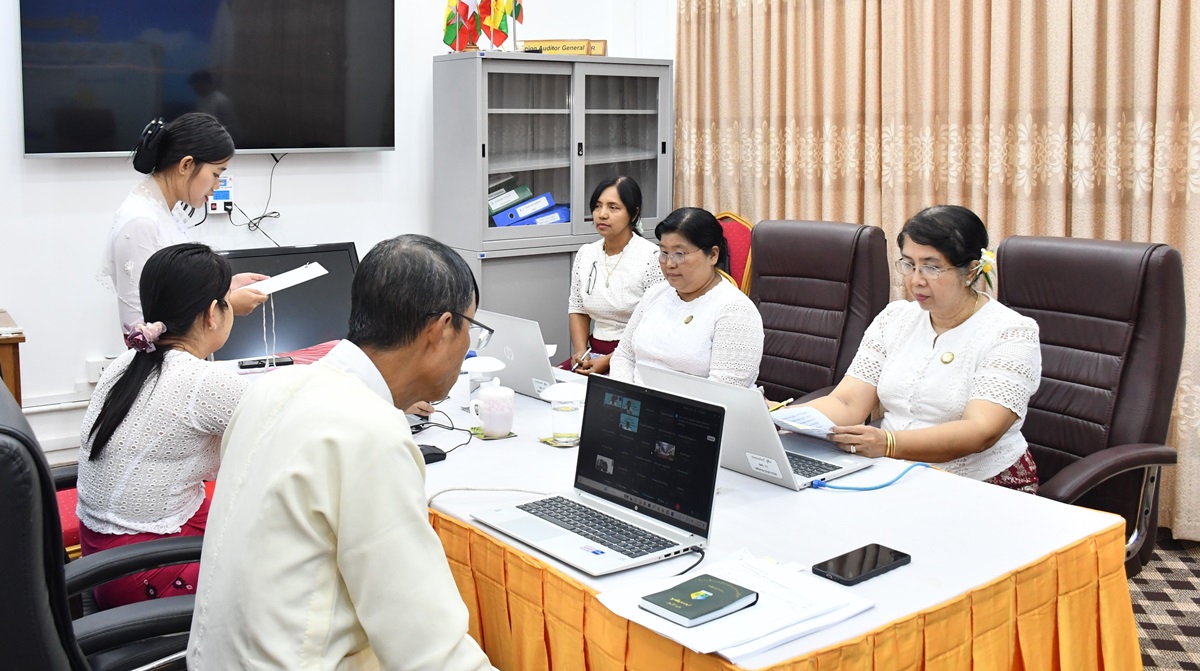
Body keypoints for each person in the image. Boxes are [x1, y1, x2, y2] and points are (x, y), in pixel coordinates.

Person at [188, 235, 495, 670]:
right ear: (442, 329)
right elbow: (427, 650)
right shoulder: (370, 431)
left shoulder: (270, 389)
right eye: (470, 327)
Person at [799, 205, 1042, 492]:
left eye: (931, 267)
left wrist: (889, 444)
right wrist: (781, 418)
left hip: (981, 483)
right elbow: (846, 402)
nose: (916, 280)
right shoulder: (895, 318)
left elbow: (980, 431)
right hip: (893, 470)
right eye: (908, 264)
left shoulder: (1011, 332)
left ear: (970, 271)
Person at [77, 243, 249, 608]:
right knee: (290, 558)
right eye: (227, 301)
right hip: (142, 571)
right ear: (212, 314)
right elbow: (291, 425)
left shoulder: (128, 361)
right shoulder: (201, 381)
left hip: (98, 556)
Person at [101, 112, 267, 336]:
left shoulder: (168, 211)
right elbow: (140, 332)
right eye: (216, 174)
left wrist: (224, 289)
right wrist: (226, 307)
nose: (217, 185)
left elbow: (175, 294)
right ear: (186, 165)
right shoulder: (141, 222)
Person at [608, 207, 764, 388]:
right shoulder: (654, 294)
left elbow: (724, 391)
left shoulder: (735, 310)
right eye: (664, 253)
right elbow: (624, 356)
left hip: (693, 405)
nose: (669, 264)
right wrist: (626, 395)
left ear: (713, 255)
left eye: (679, 254)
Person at [565, 176, 664, 374]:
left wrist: (610, 361)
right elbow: (577, 308)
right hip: (593, 352)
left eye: (613, 207)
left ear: (634, 214)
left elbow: (656, 325)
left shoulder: (652, 257)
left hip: (636, 357)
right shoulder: (586, 253)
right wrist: (581, 352)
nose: (602, 214)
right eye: (597, 206)